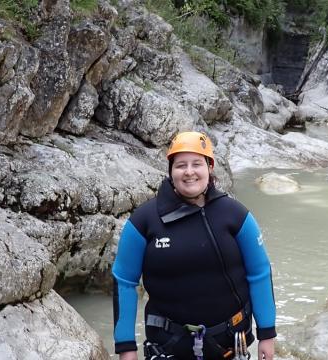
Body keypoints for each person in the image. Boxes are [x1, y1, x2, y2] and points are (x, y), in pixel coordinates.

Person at [112, 131, 276, 360]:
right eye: (181, 165)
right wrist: (126, 347)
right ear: (170, 171)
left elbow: (259, 272)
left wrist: (267, 335)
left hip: (229, 344)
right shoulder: (144, 221)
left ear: (210, 167)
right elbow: (124, 282)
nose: (189, 172)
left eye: (197, 164)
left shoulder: (235, 215)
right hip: (168, 346)